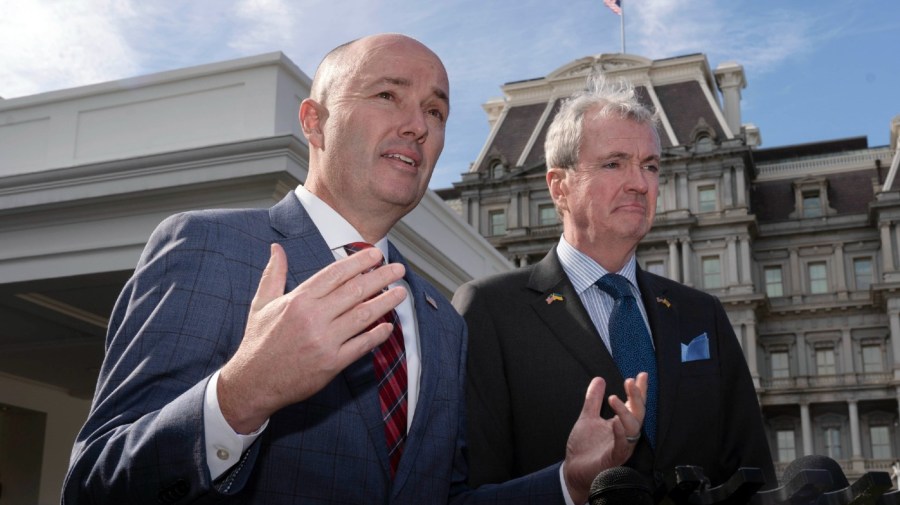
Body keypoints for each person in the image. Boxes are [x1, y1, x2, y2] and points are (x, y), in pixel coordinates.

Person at [62, 34, 648, 505]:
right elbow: (96, 481)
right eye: (388, 96)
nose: (418, 125)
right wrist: (240, 395)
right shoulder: (206, 246)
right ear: (313, 122)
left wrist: (568, 483)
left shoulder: (442, 321)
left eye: (436, 110)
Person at [453, 75, 776, 496]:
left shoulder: (702, 315)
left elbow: (753, 476)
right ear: (559, 187)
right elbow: (465, 493)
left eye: (650, 166)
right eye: (614, 163)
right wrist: (568, 485)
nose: (640, 183)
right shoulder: (490, 311)